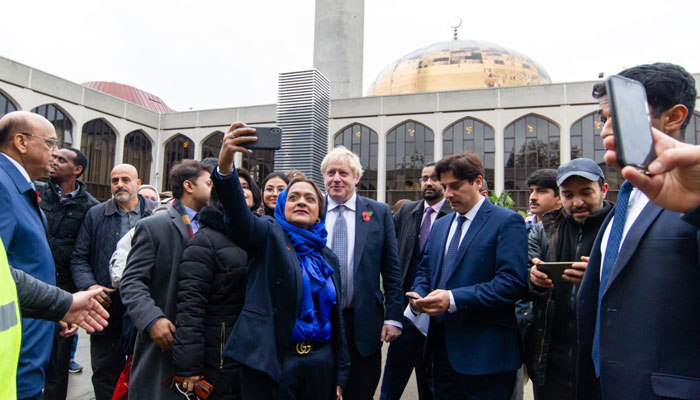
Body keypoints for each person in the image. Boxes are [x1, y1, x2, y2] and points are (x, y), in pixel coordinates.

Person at [576, 62, 700, 399]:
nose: (605, 130)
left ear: (673, 117)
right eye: (603, 119)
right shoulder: (625, 201)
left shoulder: (692, 198)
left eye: (618, 117)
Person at [212, 122, 349, 399]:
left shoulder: (327, 257)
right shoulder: (268, 235)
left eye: (310, 198)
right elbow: (238, 217)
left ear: (319, 212)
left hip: (320, 363)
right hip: (273, 362)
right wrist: (225, 167)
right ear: (282, 207)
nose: (302, 202)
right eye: (293, 197)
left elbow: (337, 320)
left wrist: (340, 371)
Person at [0, 111, 108, 400]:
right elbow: (3, 275)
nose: (56, 153)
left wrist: (52, 309)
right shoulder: (2, 185)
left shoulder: (17, 186)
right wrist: (61, 302)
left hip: (25, 348)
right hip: (12, 362)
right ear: (21, 142)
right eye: (50, 143)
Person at [406, 151, 527, 399]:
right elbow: (425, 269)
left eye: (456, 186)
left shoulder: (507, 222)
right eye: (445, 187)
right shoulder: (441, 225)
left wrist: (452, 299)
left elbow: (512, 283)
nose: (448, 194)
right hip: (441, 353)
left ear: (478, 182)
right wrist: (418, 294)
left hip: (486, 356)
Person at [120, 160, 213, 400]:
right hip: (164, 338)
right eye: (209, 183)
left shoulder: (216, 227)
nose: (215, 189)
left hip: (205, 340)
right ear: (189, 186)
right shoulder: (154, 226)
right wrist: (152, 319)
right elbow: (131, 281)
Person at [524, 158, 612, 400]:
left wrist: (599, 280)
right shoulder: (543, 230)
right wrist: (534, 280)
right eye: (568, 195)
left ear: (603, 190)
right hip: (551, 359)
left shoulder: (619, 228)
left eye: (586, 192)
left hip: (603, 358)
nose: (577, 202)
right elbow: (520, 281)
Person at [321, 146, 403, 399]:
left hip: (363, 322)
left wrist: (393, 317)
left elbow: (391, 269)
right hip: (320, 320)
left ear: (356, 177)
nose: (336, 179)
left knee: (360, 391)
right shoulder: (313, 209)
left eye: (343, 173)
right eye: (331, 173)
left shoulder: (378, 212)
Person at [71, 163, 157, 400]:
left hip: (145, 302)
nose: (119, 185)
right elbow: (79, 257)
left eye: (125, 180)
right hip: (106, 304)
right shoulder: (96, 214)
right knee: (105, 368)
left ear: (138, 184)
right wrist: (90, 285)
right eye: (115, 180)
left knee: (144, 366)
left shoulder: (156, 212)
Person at [173, 167, 258, 399]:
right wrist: (189, 366)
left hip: (259, 355)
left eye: (245, 187)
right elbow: (190, 306)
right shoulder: (205, 241)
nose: (240, 191)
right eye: (234, 187)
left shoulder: (264, 236)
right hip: (221, 356)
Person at [380, 162, 451, 400]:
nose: (428, 183)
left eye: (434, 178)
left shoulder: (453, 214)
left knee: (429, 377)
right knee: (394, 374)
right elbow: (387, 249)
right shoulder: (407, 211)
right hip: (406, 309)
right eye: (424, 178)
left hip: (438, 309)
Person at [37, 147, 99, 400]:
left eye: (61, 160)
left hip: (65, 294)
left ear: (77, 170)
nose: (54, 162)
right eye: (54, 157)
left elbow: (86, 254)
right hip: (32, 285)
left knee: (58, 365)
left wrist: (80, 295)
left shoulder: (91, 207)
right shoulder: (35, 192)